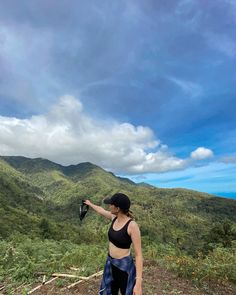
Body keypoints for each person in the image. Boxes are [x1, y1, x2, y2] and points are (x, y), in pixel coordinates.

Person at [84, 193, 143, 295]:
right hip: (111, 264)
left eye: (111, 204)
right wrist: (90, 204)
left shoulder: (132, 226)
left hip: (124, 268)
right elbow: (101, 210)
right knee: (110, 292)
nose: (109, 206)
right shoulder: (114, 218)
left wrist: (138, 284)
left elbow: (138, 255)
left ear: (117, 208)